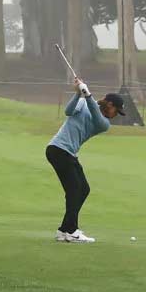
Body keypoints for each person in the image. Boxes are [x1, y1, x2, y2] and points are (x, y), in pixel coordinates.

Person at [44, 78, 122, 243]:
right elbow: (68, 111)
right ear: (109, 105)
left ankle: (64, 229)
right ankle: (72, 231)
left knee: (83, 189)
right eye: (117, 110)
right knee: (74, 189)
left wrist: (87, 94)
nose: (116, 115)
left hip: (68, 153)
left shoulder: (104, 124)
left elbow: (95, 114)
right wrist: (78, 93)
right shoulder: (84, 102)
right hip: (58, 149)